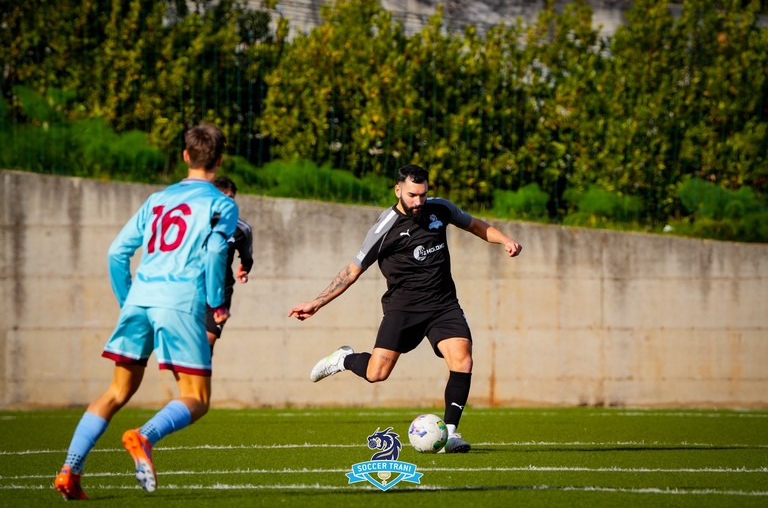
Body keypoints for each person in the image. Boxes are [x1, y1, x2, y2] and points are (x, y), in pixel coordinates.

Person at [54, 123, 238, 500]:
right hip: (181, 302)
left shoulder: (156, 199)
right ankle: (144, 436)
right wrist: (217, 303)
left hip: (140, 299)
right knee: (197, 398)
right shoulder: (222, 203)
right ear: (219, 161)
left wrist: (129, 302)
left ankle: (69, 470)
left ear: (185, 156)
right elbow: (219, 252)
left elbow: (116, 253)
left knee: (117, 390)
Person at [288, 164, 522, 453]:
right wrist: (317, 302)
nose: (418, 202)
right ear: (398, 190)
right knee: (377, 373)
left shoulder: (440, 209)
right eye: (412, 195)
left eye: (423, 195)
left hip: (443, 305)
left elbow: (474, 224)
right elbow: (352, 270)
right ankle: (344, 359)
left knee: (462, 360)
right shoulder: (384, 227)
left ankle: (448, 435)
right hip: (403, 310)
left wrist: (505, 240)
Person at [206, 176, 254, 353]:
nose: (227, 202)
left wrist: (244, 269)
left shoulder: (242, 229)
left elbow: (247, 257)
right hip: (192, 287)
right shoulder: (198, 221)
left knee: (207, 342)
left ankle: (201, 379)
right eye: (222, 197)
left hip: (221, 290)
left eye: (231, 197)